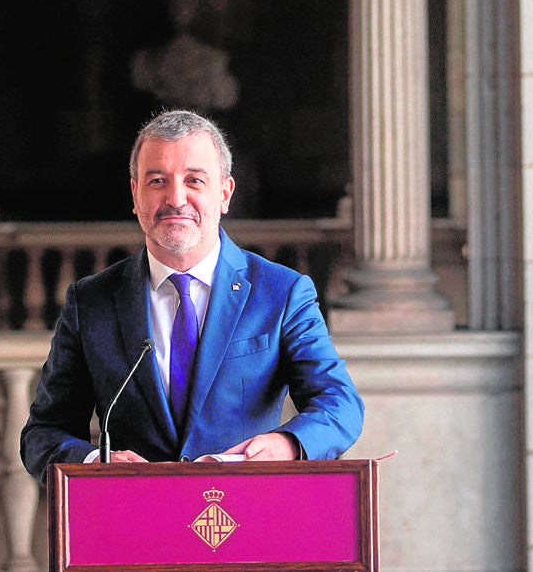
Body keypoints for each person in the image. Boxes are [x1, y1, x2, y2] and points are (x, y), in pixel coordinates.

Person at [20, 110, 362, 482]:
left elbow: (340, 404)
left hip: (245, 518)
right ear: (135, 194)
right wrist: (94, 465)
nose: (175, 198)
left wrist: (288, 444)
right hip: (134, 523)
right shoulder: (91, 302)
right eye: (157, 181)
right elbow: (42, 434)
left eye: (194, 180)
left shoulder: (281, 292)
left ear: (224, 194)